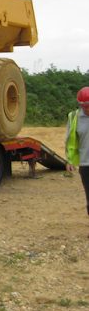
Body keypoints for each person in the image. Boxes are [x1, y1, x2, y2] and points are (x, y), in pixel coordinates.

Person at [66, 86, 89, 225]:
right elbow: (71, 141)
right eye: (83, 106)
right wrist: (69, 160)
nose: (86, 109)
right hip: (86, 164)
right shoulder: (74, 117)